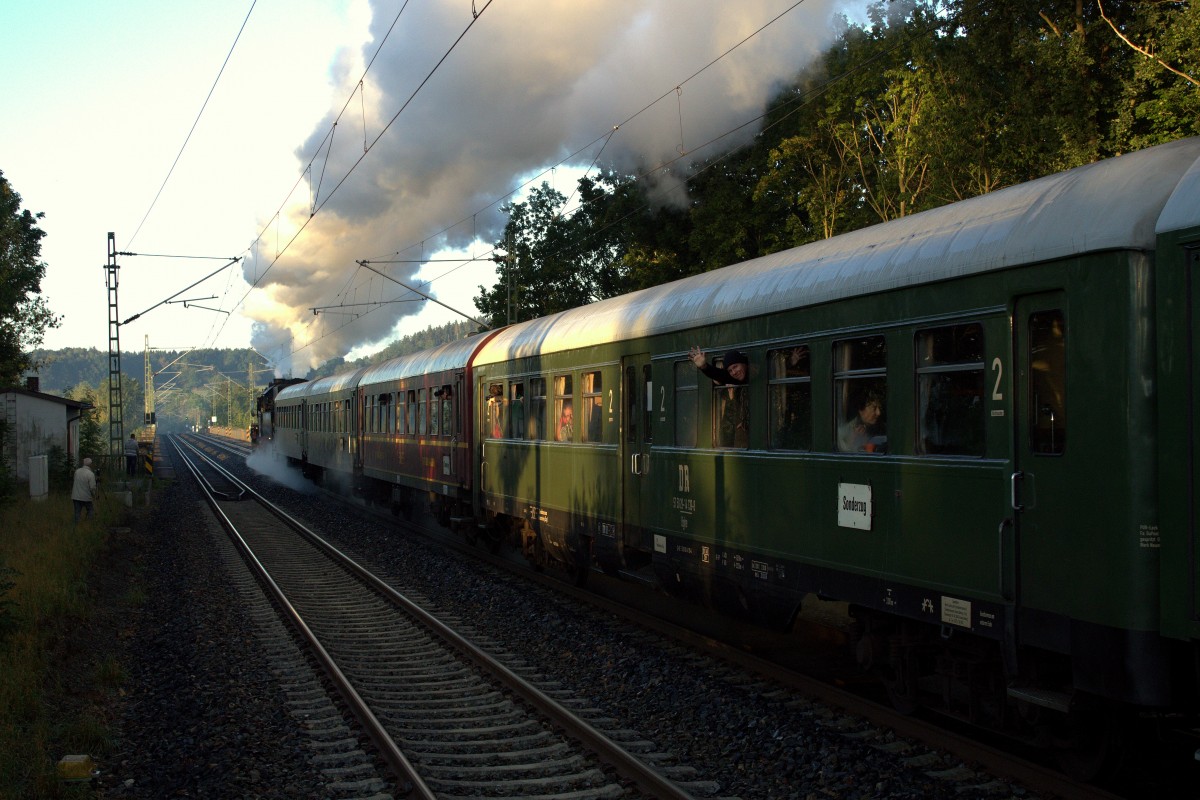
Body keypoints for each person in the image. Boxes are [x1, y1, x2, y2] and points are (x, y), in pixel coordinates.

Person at [690, 346, 749, 447]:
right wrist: (704, 367)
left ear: (744, 363)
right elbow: (721, 375)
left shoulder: (754, 374)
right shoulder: (737, 381)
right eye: (730, 370)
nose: (734, 372)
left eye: (735, 367)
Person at [72, 457, 97, 524]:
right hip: (86, 497)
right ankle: (89, 524)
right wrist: (94, 495)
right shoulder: (91, 474)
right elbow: (92, 487)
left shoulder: (77, 471)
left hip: (76, 496)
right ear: (90, 464)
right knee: (90, 510)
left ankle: (77, 525)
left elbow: (75, 480)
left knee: (77, 512)